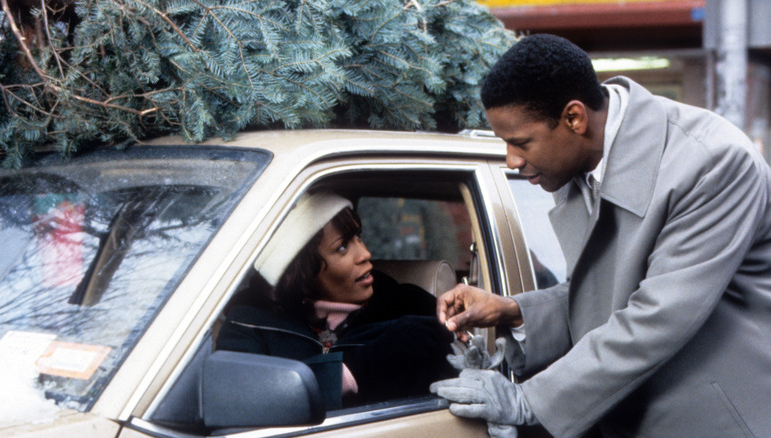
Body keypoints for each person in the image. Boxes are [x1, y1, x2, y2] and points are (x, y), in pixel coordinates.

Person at [430, 34, 771, 437]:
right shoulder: (581, 165)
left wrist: (530, 400)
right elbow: (609, 292)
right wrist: (515, 312)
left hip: (719, 422)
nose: (512, 160)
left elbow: (659, 317)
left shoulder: (712, 162)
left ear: (574, 118)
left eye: (520, 143)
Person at [216, 190, 456, 410]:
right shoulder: (249, 323)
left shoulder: (410, 307)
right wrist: (354, 370)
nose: (365, 254)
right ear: (302, 270)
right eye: (342, 247)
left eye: (358, 237)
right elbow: (236, 403)